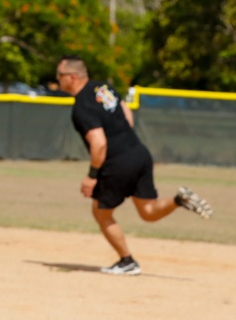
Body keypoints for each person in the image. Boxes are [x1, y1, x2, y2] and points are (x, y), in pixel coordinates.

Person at [55, 55, 212, 276]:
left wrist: (91, 176)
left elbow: (99, 144)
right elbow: (126, 113)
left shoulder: (81, 106)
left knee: (101, 213)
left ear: (72, 77)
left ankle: (127, 261)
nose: (57, 80)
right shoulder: (102, 88)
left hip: (117, 161)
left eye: (59, 76)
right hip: (138, 152)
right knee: (148, 211)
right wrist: (123, 139)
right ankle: (179, 199)